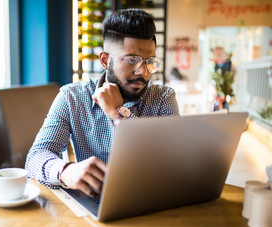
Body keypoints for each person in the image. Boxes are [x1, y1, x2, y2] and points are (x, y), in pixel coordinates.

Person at [26, 9, 179, 198]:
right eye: (132, 60)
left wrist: (118, 113)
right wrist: (65, 170)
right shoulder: (72, 97)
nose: (143, 72)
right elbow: (36, 156)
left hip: (151, 202)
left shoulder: (163, 98)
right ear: (105, 61)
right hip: (93, 205)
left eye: (150, 62)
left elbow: (170, 162)